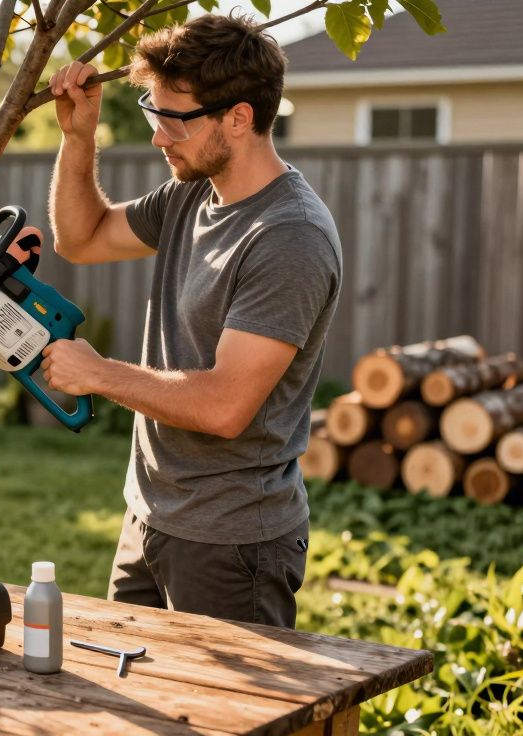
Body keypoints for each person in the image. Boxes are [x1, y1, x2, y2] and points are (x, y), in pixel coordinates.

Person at [41, 14, 342, 628]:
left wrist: (99, 374)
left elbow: (225, 407)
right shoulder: (191, 194)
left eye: (173, 118)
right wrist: (79, 139)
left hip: (231, 545)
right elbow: (82, 237)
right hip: (150, 516)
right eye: (154, 114)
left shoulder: (289, 237)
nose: (158, 137)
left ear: (239, 117)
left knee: (231, 724)